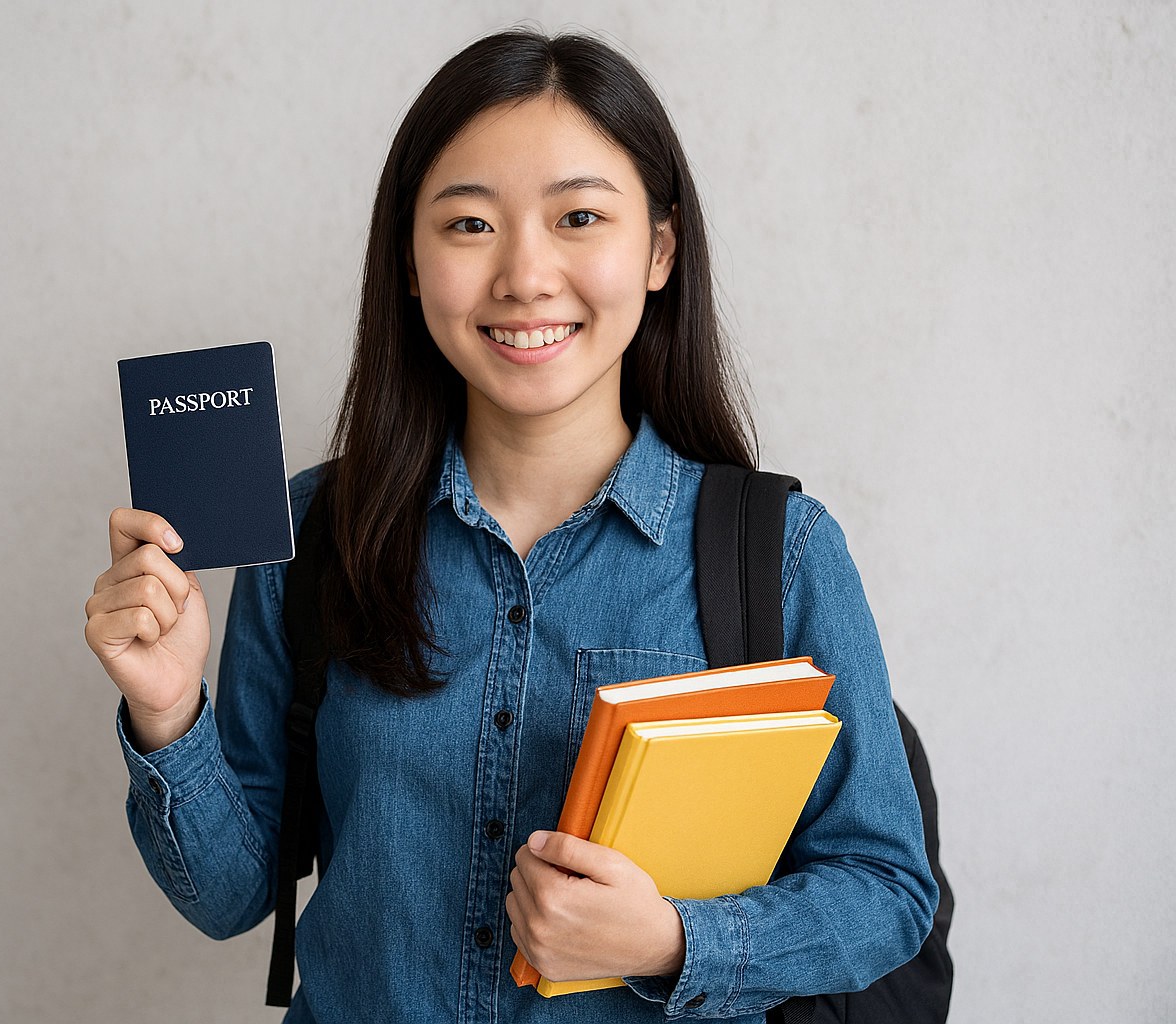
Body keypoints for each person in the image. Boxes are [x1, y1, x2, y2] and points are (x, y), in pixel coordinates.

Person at [84, 29, 937, 1024]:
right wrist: (167, 709)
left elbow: (887, 890)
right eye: (469, 225)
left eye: (580, 216)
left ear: (660, 248)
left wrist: (673, 939)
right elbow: (234, 898)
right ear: (408, 259)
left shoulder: (778, 554)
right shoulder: (317, 531)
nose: (526, 276)